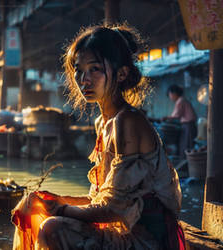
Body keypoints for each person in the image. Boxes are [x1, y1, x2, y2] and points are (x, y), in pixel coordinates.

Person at [11, 24, 184, 249]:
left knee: (54, 228)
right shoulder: (103, 122)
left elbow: (115, 209)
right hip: (122, 229)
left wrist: (60, 209)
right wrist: (56, 200)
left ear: (121, 74)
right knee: (35, 206)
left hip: (146, 239)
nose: (84, 79)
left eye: (94, 69)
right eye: (79, 70)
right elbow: (100, 200)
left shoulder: (127, 121)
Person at [163, 84, 197, 159]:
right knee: (186, 145)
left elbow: (176, 115)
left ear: (174, 93)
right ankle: (187, 163)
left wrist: (166, 118)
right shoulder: (182, 100)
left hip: (188, 126)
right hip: (187, 125)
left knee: (187, 146)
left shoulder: (181, 101)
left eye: (170, 95)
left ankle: (187, 164)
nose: (170, 97)